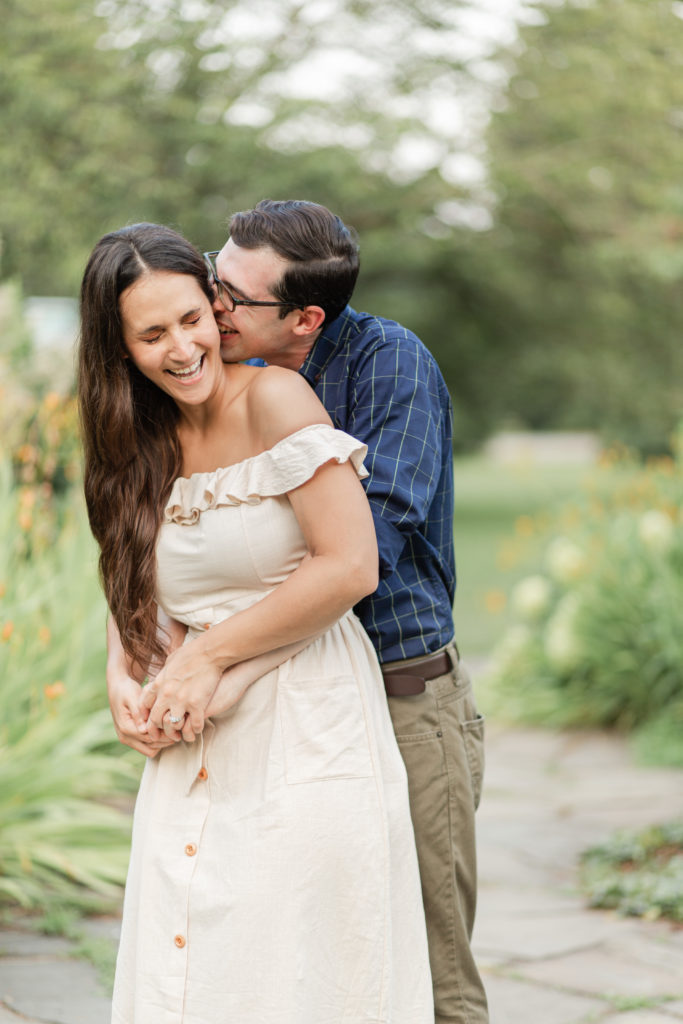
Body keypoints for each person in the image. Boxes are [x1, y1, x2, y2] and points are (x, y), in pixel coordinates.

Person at [107, 200, 488, 1024]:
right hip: (253, 701)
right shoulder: (194, 388)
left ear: (305, 319)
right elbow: (150, 548)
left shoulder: (385, 365)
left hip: (398, 687)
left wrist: (214, 660)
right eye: (213, 277)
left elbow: (359, 559)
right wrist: (136, 663)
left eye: (229, 300)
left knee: (426, 965)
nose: (210, 309)